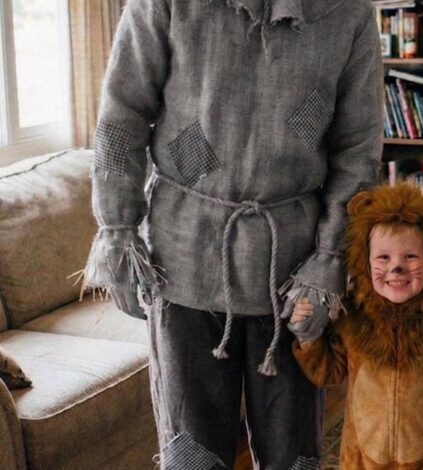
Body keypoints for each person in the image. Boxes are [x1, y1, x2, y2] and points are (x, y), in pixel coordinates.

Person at [80, 0, 383, 468]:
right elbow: (123, 115)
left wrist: (331, 258)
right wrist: (117, 228)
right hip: (182, 260)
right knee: (192, 452)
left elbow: (357, 151)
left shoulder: (349, 13)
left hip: (294, 272)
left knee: (293, 452)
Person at [289, 184, 423, 469]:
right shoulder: (353, 318)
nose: (396, 268)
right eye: (383, 257)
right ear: (365, 262)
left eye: (410, 257)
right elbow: (328, 372)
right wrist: (309, 338)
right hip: (362, 463)